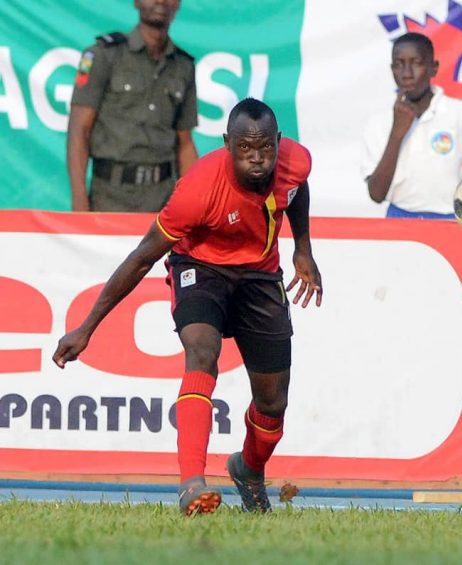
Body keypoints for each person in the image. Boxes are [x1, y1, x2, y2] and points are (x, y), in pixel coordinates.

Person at [53, 98, 323, 516]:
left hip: (260, 275)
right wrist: (87, 327)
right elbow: (142, 256)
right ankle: (191, 484)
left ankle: (248, 470)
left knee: (273, 403)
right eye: (245, 148)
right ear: (227, 144)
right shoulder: (197, 191)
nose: (257, 159)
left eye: (266, 148)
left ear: (279, 142)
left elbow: (296, 189)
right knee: (202, 352)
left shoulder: (294, 161)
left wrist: (302, 249)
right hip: (200, 267)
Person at [362, 32, 462, 219]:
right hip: (399, 220)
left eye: (416, 63)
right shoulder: (379, 123)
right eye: (399, 65)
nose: (407, 74)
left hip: (450, 220)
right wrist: (397, 133)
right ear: (392, 68)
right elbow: (376, 194)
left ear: (433, 68)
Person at [67, 0, 198, 212]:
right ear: (136, 2)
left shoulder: (184, 65)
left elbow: (185, 144)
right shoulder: (103, 54)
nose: (161, 2)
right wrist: (79, 203)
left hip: (163, 199)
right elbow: (79, 131)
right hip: (109, 198)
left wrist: (194, 204)